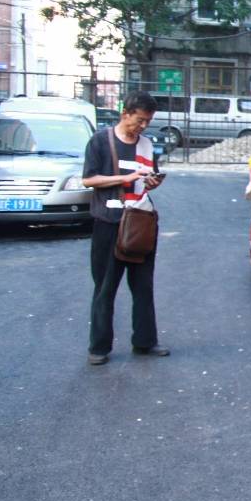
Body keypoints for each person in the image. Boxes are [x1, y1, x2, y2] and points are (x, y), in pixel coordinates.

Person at [82, 90, 167, 365]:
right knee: (105, 287)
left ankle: (145, 341)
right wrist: (125, 178)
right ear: (125, 114)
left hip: (140, 220)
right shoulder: (100, 141)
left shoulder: (146, 145)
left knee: (143, 286)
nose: (142, 126)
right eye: (139, 120)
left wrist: (153, 181)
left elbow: (147, 180)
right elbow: (88, 180)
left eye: (147, 121)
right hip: (109, 222)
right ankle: (98, 347)